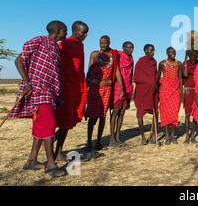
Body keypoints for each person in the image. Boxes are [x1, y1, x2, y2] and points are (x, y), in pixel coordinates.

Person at [10, 20, 67, 177]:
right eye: (65, 31)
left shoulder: (55, 48)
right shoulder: (39, 41)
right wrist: (28, 82)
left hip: (49, 92)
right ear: (57, 30)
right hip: (38, 91)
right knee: (49, 125)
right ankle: (50, 164)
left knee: (41, 127)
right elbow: (18, 61)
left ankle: (32, 161)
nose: (66, 33)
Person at [54, 21, 89, 162]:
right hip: (65, 88)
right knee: (62, 120)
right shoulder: (64, 44)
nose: (85, 35)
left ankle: (59, 152)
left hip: (77, 87)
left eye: (87, 32)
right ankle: (53, 154)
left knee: (68, 121)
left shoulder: (80, 45)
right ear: (75, 30)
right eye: (83, 32)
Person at [85, 36, 125, 151]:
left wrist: (121, 86)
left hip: (107, 88)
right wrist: (86, 86)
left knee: (102, 115)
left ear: (109, 43)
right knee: (93, 116)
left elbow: (116, 71)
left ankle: (98, 141)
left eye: (105, 43)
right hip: (95, 88)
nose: (103, 45)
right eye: (101, 43)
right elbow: (89, 71)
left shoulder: (113, 56)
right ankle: (89, 142)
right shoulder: (94, 54)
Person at [133, 44, 159, 145]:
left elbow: (155, 75)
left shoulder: (154, 62)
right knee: (140, 114)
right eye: (150, 50)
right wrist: (148, 81)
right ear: (145, 51)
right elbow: (136, 77)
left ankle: (153, 135)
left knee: (155, 113)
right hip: (142, 92)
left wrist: (154, 83)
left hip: (153, 91)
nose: (152, 52)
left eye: (153, 50)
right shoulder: (140, 62)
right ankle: (143, 137)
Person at [110, 41, 134, 147]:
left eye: (132, 47)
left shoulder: (131, 59)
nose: (130, 49)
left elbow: (131, 73)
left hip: (128, 87)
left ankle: (118, 136)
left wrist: (130, 86)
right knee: (115, 112)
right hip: (117, 86)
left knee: (122, 112)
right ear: (123, 47)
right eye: (128, 47)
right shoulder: (118, 55)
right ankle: (111, 138)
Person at [158, 47, 183, 144]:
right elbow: (158, 77)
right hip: (165, 92)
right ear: (167, 53)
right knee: (165, 114)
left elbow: (180, 78)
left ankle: (173, 136)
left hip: (176, 91)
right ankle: (167, 136)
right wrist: (156, 91)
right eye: (171, 52)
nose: (173, 53)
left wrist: (181, 93)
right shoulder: (161, 64)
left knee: (174, 114)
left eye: (174, 52)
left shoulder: (179, 64)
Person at [182, 50, 198, 144]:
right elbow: (185, 74)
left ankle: (193, 134)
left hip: (197, 92)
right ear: (189, 55)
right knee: (187, 114)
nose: (194, 57)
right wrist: (185, 59)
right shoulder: (185, 64)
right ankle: (187, 136)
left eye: (195, 55)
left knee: (195, 115)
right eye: (191, 55)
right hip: (188, 91)